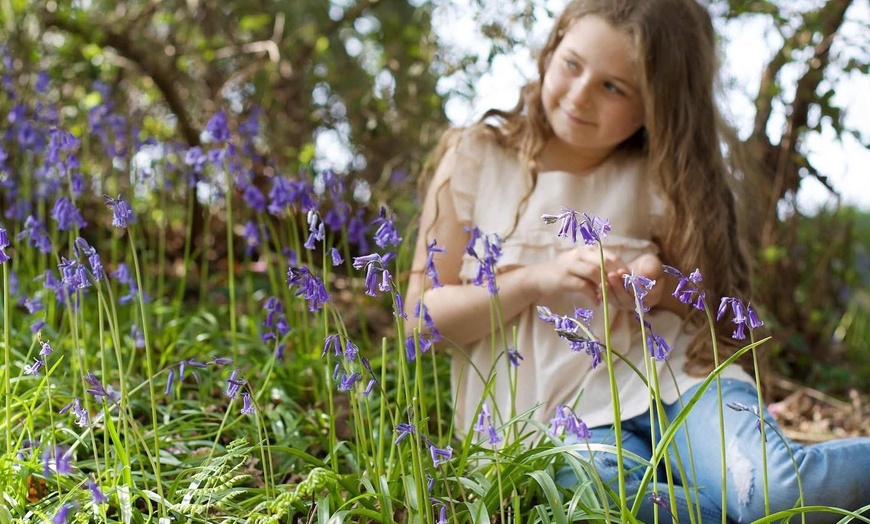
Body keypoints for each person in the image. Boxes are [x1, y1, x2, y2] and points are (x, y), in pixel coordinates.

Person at [404, 0, 870, 522]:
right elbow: (420, 319)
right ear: (551, 47)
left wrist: (659, 286)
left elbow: (717, 306)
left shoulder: (662, 172)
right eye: (572, 64)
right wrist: (534, 280)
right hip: (556, 424)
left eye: (614, 87)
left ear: (656, 104)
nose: (580, 95)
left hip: (677, 381)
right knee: (633, 506)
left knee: (772, 495)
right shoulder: (477, 157)